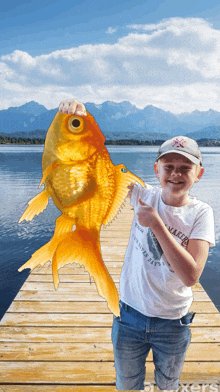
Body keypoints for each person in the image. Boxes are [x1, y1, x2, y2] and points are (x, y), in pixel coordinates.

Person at [59, 99, 215, 391]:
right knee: (127, 384)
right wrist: (78, 120)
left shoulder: (201, 213)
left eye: (185, 167)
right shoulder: (142, 195)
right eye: (169, 166)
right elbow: (93, 164)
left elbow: (191, 275)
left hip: (173, 323)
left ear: (199, 174)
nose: (176, 174)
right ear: (156, 169)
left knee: (167, 384)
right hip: (128, 315)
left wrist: (156, 224)